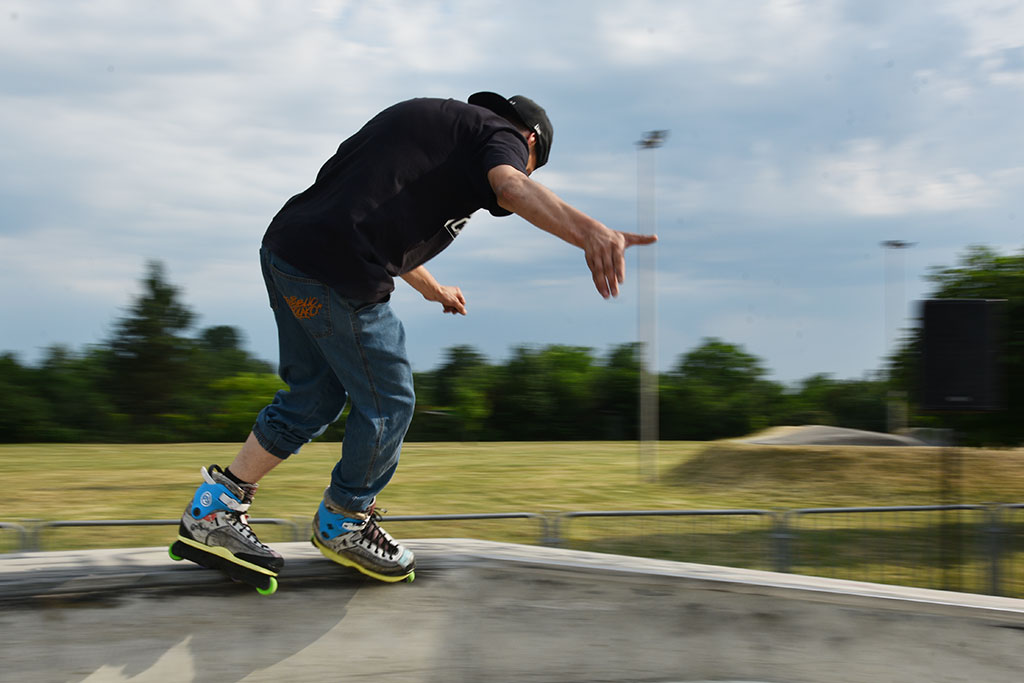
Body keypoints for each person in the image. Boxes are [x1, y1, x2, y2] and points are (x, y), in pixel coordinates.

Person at [175, 92, 657, 584]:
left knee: (314, 396)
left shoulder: (440, 130)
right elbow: (511, 186)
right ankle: (345, 519)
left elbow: (369, 213)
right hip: (338, 270)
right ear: (530, 141)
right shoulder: (500, 135)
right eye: (530, 165)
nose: (522, 170)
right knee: (389, 400)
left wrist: (434, 289)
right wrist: (590, 231)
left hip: (289, 254)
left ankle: (214, 511)